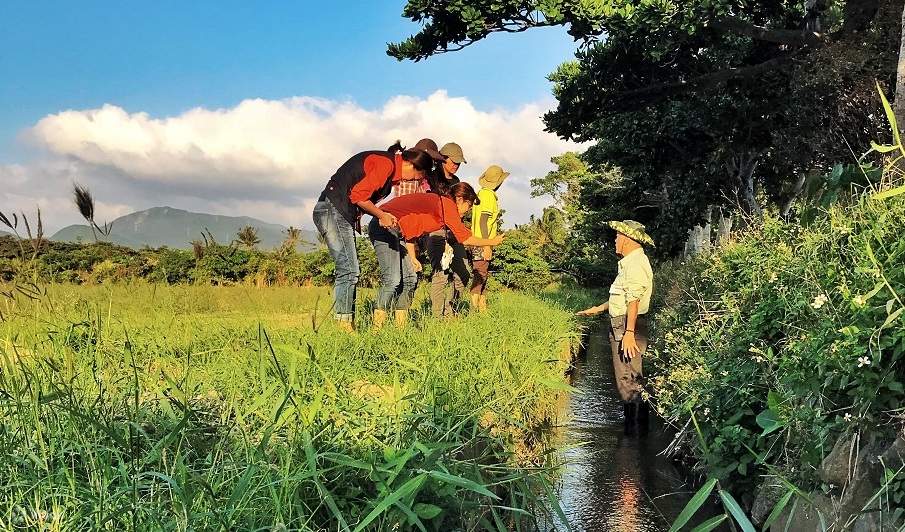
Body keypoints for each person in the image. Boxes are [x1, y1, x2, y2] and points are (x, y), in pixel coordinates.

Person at [312, 142, 433, 332]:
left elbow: (361, 198)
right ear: (410, 165)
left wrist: (382, 215)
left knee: (350, 270)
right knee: (349, 270)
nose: (415, 181)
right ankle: (344, 327)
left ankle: (346, 323)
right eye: (419, 176)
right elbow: (358, 196)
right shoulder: (386, 164)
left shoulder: (389, 171)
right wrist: (381, 215)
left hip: (337, 212)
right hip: (332, 210)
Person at [368, 182, 505, 328]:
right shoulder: (446, 205)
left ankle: (400, 329)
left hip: (397, 231)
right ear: (460, 199)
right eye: (469, 205)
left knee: (410, 279)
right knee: (393, 279)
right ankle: (377, 329)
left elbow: (411, 231)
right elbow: (464, 237)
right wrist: (491, 242)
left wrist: (413, 257)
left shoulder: (439, 211)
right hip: (383, 224)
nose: (468, 210)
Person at [576, 220, 655, 434]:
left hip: (627, 325)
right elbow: (621, 298)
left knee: (628, 377)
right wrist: (597, 309)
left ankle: (635, 432)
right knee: (630, 376)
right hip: (624, 323)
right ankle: (637, 432)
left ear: (628, 240)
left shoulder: (635, 264)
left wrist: (628, 333)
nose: (615, 240)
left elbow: (634, 301)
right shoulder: (630, 263)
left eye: (618, 236)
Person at [424, 142, 470, 317]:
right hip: (436, 230)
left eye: (459, 162)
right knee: (441, 275)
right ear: (442, 159)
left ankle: (452, 309)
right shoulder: (430, 178)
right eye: (453, 161)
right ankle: (438, 317)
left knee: (463, 273)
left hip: (453, 231)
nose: (456, 165)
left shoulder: (457, 182)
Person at [469, 165, 509, 312]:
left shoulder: (482, 193)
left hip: (479, 240)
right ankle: (473, 311)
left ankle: (482, 309)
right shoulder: (488, 196)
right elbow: (483, 221)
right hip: (482, 241)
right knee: (480, 276)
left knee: (483, 275)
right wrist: (486, 245)